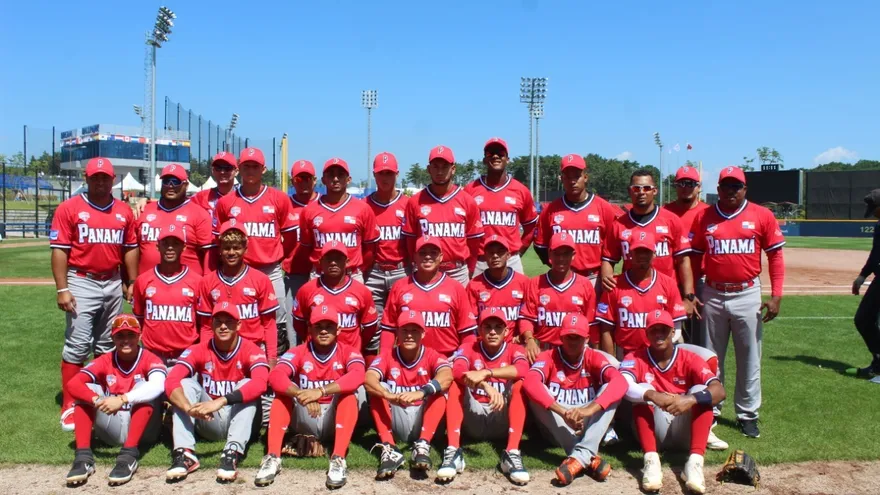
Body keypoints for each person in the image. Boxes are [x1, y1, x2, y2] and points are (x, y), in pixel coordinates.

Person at [690, 166, 785, 438]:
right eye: (726, 186)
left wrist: (776, 295)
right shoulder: (705, 217)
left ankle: (747, 414)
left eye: (737, 186)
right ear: (717, 189)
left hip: (747, 293)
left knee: (749, 358)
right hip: (713, 292)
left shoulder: (761, 215)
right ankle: (712, 409)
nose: (731, 191)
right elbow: (695, 257)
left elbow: (775, 257)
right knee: (710, 359)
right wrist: (693, 291)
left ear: (745, 189)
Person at [50, 157, 139, 432]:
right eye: (95, 177)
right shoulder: (70, 208)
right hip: (82, 280)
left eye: (105, 177)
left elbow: (130, 248)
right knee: (77, 344)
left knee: (106, 345)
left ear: (113, 180)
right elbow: (60, 250)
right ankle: (70, 405)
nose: (100, 182)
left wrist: (131, 281)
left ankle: (103, 398)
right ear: (87, 179)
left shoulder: (123, 211)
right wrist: (62, 288)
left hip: (112, 280)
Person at [259, 305, 366, 489]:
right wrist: (300, 394)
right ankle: (273, 457)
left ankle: (338, 458)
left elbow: (358, 375)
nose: (323, 331)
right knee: (282, 396)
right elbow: (276, 376)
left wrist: (320, 391)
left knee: (350, 395)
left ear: (338, 329)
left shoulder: (349, 351)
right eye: (318, 326)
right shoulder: (299, 351)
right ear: (309, 328)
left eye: (329, 326)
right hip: (306, 413)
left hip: (334, 416)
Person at [620, 310, 726, 494]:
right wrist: (652, 394)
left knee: (700, 392)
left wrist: (690, 399)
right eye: (654, 330)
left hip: (682, 425)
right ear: (647, 334)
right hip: (654, 428)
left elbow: (719, 391)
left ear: (672, 332)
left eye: (664, 330)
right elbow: (622, 385)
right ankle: (651, 461)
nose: (659, 335)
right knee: (642, 390)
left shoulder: (690, 358)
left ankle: (694, 463)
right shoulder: (634, 358)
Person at [165, 302, 270, 483]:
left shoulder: (252, 349)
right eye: (218, 321)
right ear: (211, 324)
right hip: (208, 419)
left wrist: (221, 400)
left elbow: (261, 383)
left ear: (238, 325)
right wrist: (188, 408)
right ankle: (185, 453)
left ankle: (232, 452)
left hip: (239, 418)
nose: (223, 326)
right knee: (185, 383)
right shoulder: (198, 349)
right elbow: (171, 380)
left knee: (248, 384)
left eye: (228, 322)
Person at [522, 313, 626, 486]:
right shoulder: (549, 356)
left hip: (587, 423)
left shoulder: (594, 356)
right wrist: (563, 412)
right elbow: (530, 382)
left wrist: (588, 410)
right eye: (568, 337)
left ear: (586, 339)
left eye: (576, 337)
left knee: (611, 388)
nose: (572, 341)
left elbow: (621, 382)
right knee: (536, 391)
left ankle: (579, 457)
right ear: (561, 337)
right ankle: (588, 456)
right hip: (558, 424)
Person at [64, 315, 166, 487]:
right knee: (87, 391)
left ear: (139, 336)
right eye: (120, 336)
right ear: (112, 338)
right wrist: (96, 400)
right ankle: (83, 458)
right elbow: (73, 384)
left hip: (144, 432)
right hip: (112, 427)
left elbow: (158, 385)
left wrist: (122, 399)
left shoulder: (151, 359)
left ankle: (129, 456)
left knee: (144, 390)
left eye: (130, 335)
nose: (125, 340)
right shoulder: (105, 359)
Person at [215, 147, 297, 354]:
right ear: (238, 169)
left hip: (271, 270)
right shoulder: (226, 202)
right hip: (238, 272)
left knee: (277, 321)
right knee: (239, 319)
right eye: (246, 166)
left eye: (255, 166)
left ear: (264, 169)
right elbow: (220, 239)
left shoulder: (279, 198)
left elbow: (291, 237)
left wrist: (277, 257)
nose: (250, 170)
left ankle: (275, 368)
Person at [445, 308, 530, 485]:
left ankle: (512, 452)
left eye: (498, 327)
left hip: (501, 417)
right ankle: (453, 450)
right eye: (487, 327)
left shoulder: (515, 349)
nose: (492, 332)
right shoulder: (468, 347)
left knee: (520, 385)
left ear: (506, 331)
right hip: (473, 416)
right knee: (455, 384)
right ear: (479, 329)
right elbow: (457, 370)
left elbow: (523, 369)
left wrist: (486, 373)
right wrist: (485, 385)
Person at [365, 310, 452, 479]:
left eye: (414, 330)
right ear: (397, 333)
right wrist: (388, 395)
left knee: (440, 390)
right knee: (377, 389)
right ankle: (390, 448)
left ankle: (423, 444)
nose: (409, 335)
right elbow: (368, 379)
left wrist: (421, 392)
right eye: (404, 330)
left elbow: (447, 375)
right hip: (397, 416)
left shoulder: (432, 355)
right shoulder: (387, 355)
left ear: (423, 333)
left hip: (424, 418)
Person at [600, 169, 697, 318]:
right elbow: (608, 259)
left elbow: (683, 260)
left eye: (646, 188)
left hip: (666, 294)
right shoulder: (619, 225)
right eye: (636, 188)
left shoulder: (671, 220)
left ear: (655, 191)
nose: (641, 192)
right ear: (629, 191)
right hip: (631, 294)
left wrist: (689, 296)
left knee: (670, 340)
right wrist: (608, 281)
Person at [379, 235, 478, 357]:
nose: (427, 256)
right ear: (414, 257)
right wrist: (384, 360)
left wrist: (463, 359)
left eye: (433, 253)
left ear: (441, 257)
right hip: (408, 360)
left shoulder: (455, 287)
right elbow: (388, 329)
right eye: (422, 253)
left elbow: (467, 333)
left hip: (447, 359)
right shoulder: (400, 286)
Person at [196, 220, 279, 362]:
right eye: (227, 248)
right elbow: (206, 327)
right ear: (220, 250)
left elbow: (269, 325)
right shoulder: (207, 282)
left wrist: (271, 360)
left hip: (254, 349)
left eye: (236, 248)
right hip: (219, 352)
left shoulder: (261, 279)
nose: (231, 252)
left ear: (245, 249)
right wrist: (206, 358)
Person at [595, 232, 687, 358]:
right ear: (629, 254)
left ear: (654, 254)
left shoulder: (668, 284)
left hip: (658, 354)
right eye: (638, 251)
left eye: (646, 251)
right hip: (626, 354)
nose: (642, 256)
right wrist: (610, 364)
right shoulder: (614, 285)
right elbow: (606, 330)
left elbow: (676, 327)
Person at [402, 145, 484, 285]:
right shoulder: (415, 202)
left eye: (444, 166)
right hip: (425, 271)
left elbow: (474, 242)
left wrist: (469, 270)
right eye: (435, 166)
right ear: (429, 169)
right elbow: (409, 241)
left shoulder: (467, 201)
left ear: (453, 169)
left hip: (457, 272)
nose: (440, 171)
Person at [533, 154, 618, 287]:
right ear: (561, 179)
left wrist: (607, 269)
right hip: (561, 278)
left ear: (585, 177)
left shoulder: (604, 208)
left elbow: (613, 246)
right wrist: (557, 266)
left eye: (576, 176)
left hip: (593, 277)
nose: (572, 181)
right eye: (567, 177)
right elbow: (540, 246)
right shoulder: (550, 210)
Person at [296, 157, 379, 284]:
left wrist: (358, 268)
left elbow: (370, 249)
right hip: (319, 275)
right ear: (323, 180)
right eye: (331, 175)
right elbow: (306, 248)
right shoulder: (309, 210)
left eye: (340, 175)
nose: (335, 179)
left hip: (352, 274)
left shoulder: (363, 209)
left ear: (348, 179)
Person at [464, 137, 537, 276]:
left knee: (519, 297)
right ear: (485, 159)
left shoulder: (521, 190)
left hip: (511, 259)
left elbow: (530, 227)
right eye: (491, 153)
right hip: (481, 261)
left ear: (507, 159)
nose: (496, 156)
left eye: (500, 153)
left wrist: (517, 252)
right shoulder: (470, 190)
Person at [519, 232, 598, 361]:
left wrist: (594, 352)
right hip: (544, 349)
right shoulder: (535, 283)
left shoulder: (585, 284)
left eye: (565, 254)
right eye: (557, 253)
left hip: (576, 350)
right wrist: (529, 340)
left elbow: (592, 325)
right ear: (549, 254)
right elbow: (526, 317)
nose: (561, 258)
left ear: (573, 255)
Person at [132, 223, 202, 365]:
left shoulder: (197, 282)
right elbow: (139, 318)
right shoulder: (143, 280)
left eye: (175, 243)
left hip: (186, 356)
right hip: (153, 356)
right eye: (165, 243)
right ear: (158, 246)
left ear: (184, 247)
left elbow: (203, 324)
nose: (170, 247)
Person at [292, 240, 379, 354]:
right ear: (320, 262)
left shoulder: (362, 291)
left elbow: (370, 327)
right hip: (315, 357)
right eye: (328, 259)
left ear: (347, 262)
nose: (333, 263)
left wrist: (356, 346)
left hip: (350, 358)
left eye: (338, 259)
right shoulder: (306, 290)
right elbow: (299, 324)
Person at [364, 152, 410, 355]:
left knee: (404, 323)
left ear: (397, 174)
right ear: (374, 175)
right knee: (372, 326)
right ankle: (373, 376)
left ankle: (400, 372)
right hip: (373, 272)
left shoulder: (409, 204)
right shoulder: (364, 206)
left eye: (389, 173)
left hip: (402, 270)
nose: (385, 178)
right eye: (381, 173)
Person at [134, 163, 213, 275]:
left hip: (188, 287)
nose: (170, 185)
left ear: (186, 185)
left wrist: (207, 284)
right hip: (148, 285)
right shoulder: (143, 210)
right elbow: (132, 248)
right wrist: (131, 280)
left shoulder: (199, 213)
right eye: (166, 181)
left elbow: (208, 254)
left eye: (176, 181)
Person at [664, 165, 711, 345]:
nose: (685, 187)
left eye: (690, 183)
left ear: (699, 187)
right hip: (670, 280)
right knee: (667, 333)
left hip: (699, 281)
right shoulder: (665, 212)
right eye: (681, 183)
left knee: (698, 336)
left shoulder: (708, 213)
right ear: (675, 186)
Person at [282, 159, 321, 346]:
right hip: (295, 271)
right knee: (293, 320)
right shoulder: (286, 204)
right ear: (292, 181)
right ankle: (293, 359)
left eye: (307, 179)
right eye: (299, 179)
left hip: (319, 272)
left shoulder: (324, 203)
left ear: (314, 180)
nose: (304, 183)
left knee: (318, 318)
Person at [465, 235, 530, 342]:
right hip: (485, 345)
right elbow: (471, 322)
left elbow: (528, 317)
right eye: (491, 252)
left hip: (515, 345)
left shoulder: (524, 282)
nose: (495, 256)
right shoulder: (474, 285)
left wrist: (523, 336)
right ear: (485, 256)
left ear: (508, 255)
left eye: (500, 252)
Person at [850, 188, 880, 381]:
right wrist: (862, 275)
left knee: (865, 319)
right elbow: (875, 254)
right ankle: (878, 362)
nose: (873, 214)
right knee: (863, 319)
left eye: (875, 209)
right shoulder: (879, 226)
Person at [190, 151, 239, 225]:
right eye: (218, 168)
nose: (222, 172)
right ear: (213, 171)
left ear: (236, 171)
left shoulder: (243, 197)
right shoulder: (199, 198)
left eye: (227, 168)